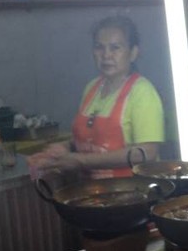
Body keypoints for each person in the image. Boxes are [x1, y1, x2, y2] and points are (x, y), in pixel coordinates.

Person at [28, 15, 165, 179]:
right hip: (93, 189)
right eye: (99, 47)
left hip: (133, 190)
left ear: (133, 53)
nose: (106, 55)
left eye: (115, 48)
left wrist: (80, 160)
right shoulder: (92, 88)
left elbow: (147, 153)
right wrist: (66, 147)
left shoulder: (142, 93)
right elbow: (90, 139)